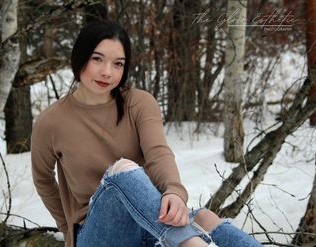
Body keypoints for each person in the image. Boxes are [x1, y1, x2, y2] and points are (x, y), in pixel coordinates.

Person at [31, 20, 263, 247]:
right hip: (99, 234)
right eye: (97, 59)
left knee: (206, 218)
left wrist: (174, 191)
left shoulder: (139, 103)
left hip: (149, 227)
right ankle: (188, 243)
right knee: (122, 170)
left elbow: (158, 153)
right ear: (79, 57)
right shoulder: (51, 121)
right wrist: (66, 227)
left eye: (118, 64)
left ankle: (186, 239)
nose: (107, 72)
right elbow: (43, 178)